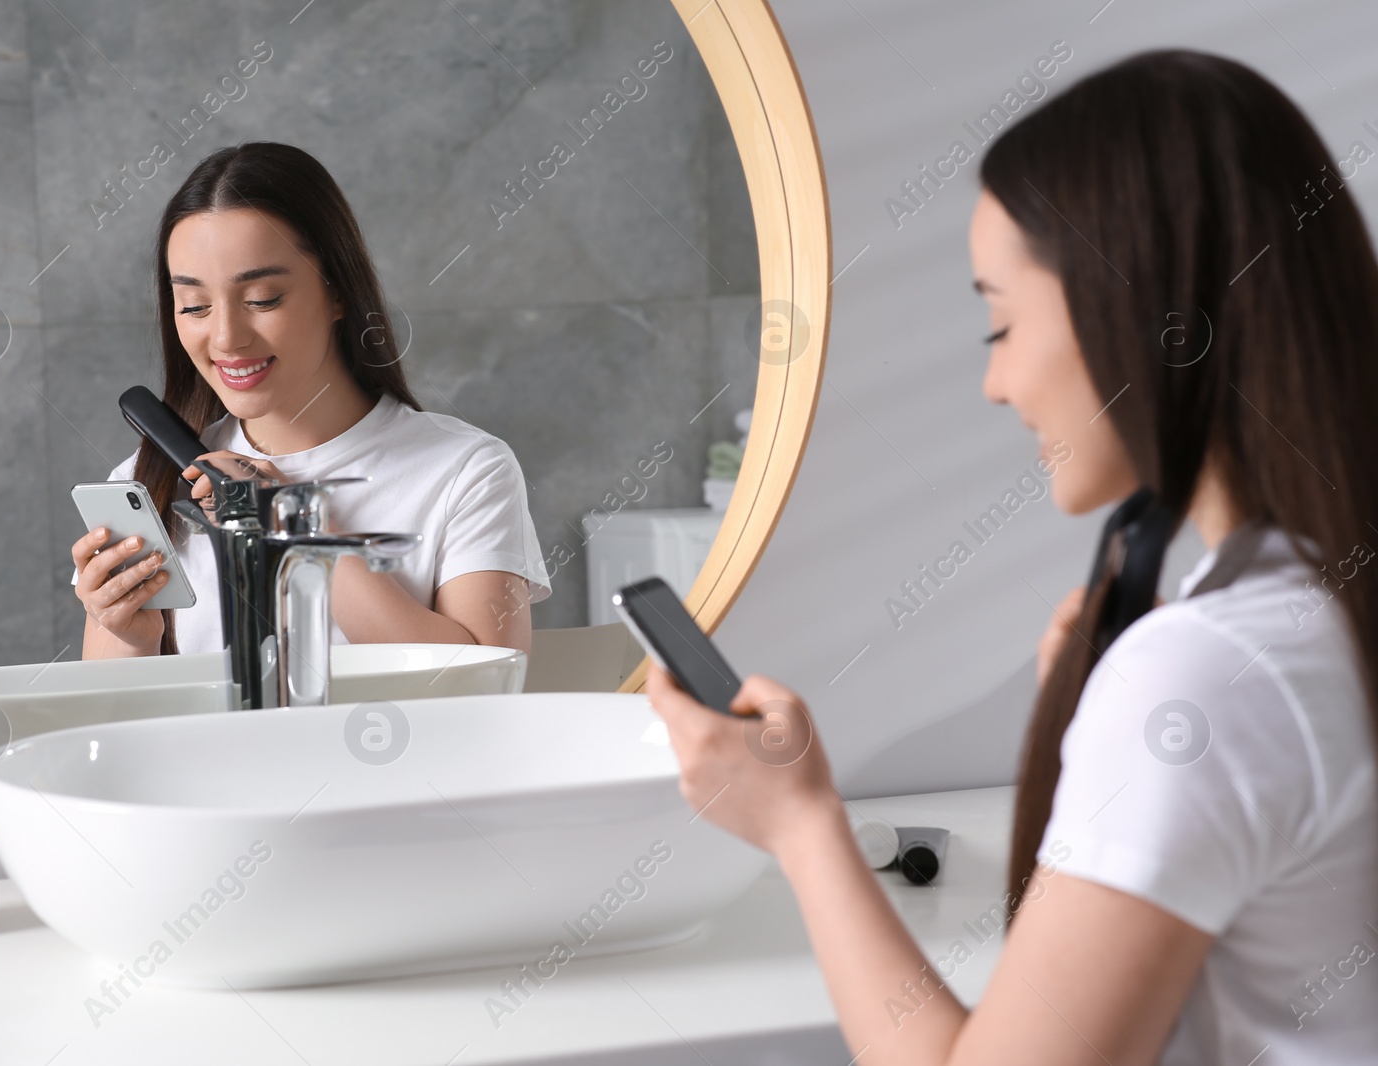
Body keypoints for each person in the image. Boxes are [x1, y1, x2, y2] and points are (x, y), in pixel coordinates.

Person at [646, 50, 1378, 1065]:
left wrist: (800, 828)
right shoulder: (1303, 619)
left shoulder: (1212, 672)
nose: (994, 383)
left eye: (999, 320)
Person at [71, 142, 551, 658]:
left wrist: (304, 527)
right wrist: (133, 640)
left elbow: (487, 683)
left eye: (262, 300)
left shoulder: (466, 470)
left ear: (339, 290)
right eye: (195, 305)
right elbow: (119, 725)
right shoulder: (147, 484)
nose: (227, 338)